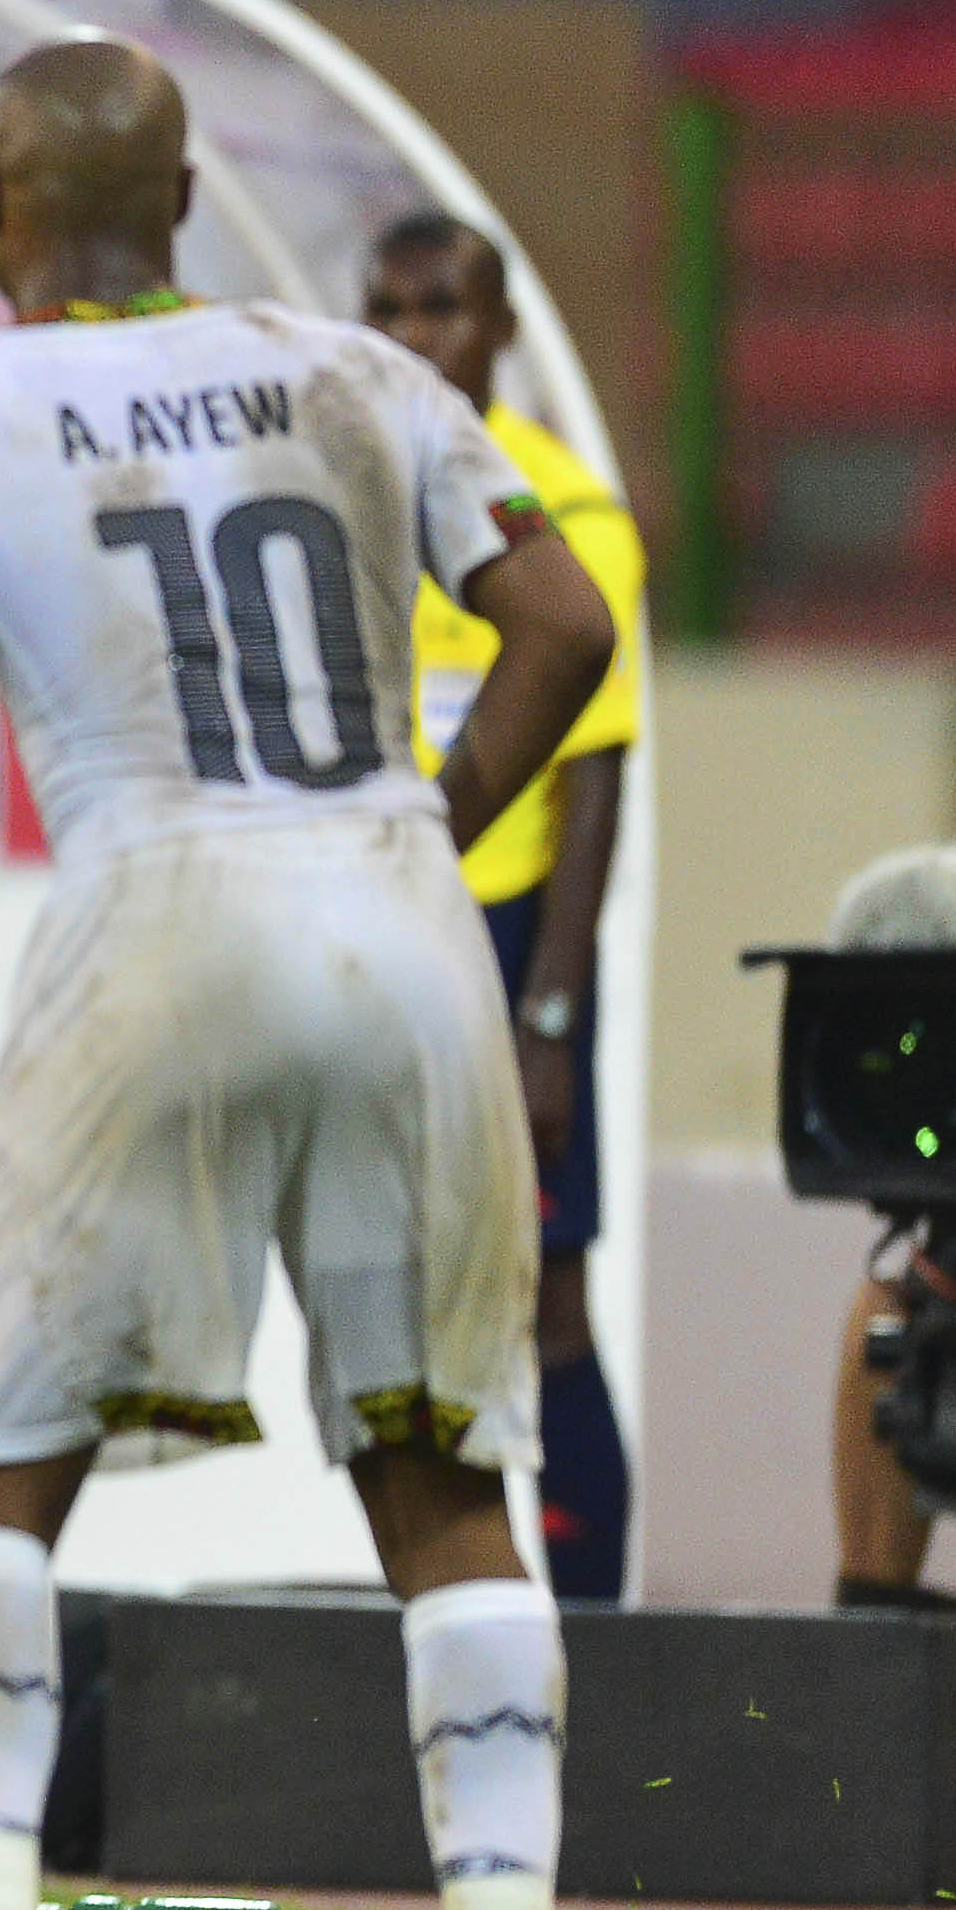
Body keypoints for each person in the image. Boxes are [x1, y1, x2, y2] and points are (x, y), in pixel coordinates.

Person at [0, 39, 612, 1910]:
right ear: (192, 191)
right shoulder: (357, 373)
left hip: (153, 906)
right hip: (398, 913)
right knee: (440, 1482)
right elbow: (565, 623)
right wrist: (424, 813)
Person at [366, 212, 647, 1602]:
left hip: (505, 928)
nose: (419, 338)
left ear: (502, 327)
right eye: (391, 311)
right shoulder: (343, 490)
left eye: (443, 308)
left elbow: (594, 781)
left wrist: (550, 1012)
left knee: (544, 1304)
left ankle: (590, 1616)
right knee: (392, 1301)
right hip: (372, 933)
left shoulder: (566, 513)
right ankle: (446, 1610)